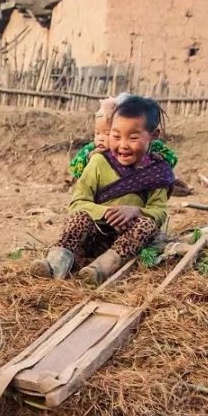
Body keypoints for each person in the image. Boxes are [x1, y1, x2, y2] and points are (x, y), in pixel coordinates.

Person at [33, 96, 174, 285]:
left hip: (127, 242)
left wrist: (135, 211)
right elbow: (77, 203)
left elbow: (160, 211)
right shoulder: (99, 162)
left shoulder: (157, 171)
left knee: (146, 225)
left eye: (133, 138)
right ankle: (54, 264)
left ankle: (100, 269)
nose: (123, 145)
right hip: (95, 236)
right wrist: (105, 212)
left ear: (154, 135)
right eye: (116, 136)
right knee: (80, 217)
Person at [69, 93, 178, 181]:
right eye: (97, 133)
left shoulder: (153, 148)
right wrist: (89, 159)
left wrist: (155, 160)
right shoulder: (95, 151)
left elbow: (172, 159)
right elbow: (74, 168)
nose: (101, 138)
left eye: (107, 133)